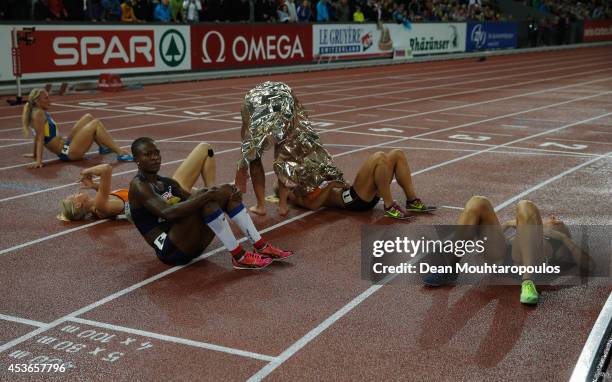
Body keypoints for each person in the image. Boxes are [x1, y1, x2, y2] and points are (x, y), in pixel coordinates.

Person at [129, 137, 294, 268]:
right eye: (148, 154)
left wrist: (228, 193)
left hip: (189, 242)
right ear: (136, 159)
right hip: (171, 251)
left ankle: (260, 245)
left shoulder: (167, 183)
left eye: (156, 153)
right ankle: (240, 256)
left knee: (224, 192)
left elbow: (192, 201)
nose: (154, 158)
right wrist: (207, 195)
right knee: (206, 198)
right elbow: (167, 212)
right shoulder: (139, 186)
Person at [422, 196, 593, 305]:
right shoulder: (525, 226)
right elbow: (493, 235)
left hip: (526, 265)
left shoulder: (558, 242)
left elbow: (590, 266)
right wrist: (509, 224)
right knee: (478, 202)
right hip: (502, 258)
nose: (554, 218)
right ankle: (450, 268)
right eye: (552, 218)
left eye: (557, 220)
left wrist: (563, 238)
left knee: (526, 205)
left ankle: (528, 284)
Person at [234, 81, 344, 217]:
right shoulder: (283, 99)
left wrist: (243, 165)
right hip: (284, 102)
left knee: (255, 158)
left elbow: (248, 145)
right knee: (284, 154)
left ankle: (261, 206)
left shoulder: (249, 108)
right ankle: (283, 207)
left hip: (274, 103)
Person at [59, 142, 216, 221]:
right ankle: (214, 199)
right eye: (73, 196)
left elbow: (107, 194)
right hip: (163, 198)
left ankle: (215, 195)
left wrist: (94, 186)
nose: (76, 193)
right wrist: (86, 171)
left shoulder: (99, 208)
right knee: (205, 148)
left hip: (158, 197)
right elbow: (106, 168)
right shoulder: (100, 206)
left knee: (199, 191)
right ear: (78, 205)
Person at [285, 150, 435, 219]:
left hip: (357, 194)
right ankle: (389, 206)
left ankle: (412, 201)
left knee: (397, 154)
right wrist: (331, 185)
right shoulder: (295, 192)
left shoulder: (312, 178)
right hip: (351, 201)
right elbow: (312, 205)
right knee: (379, 157)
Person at [22, 89, 133, 169]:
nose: (49, 99)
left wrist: (34, 154)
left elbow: (36, 136)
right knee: (96, 124)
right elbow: (40, 138)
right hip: (68, 153)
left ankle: (103, 147)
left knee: (88, 117)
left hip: (65, 145)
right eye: (46, 98)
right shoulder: (39, 114)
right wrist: (38, 161)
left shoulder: (38, 111)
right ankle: (121, 153)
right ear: (37, 101)